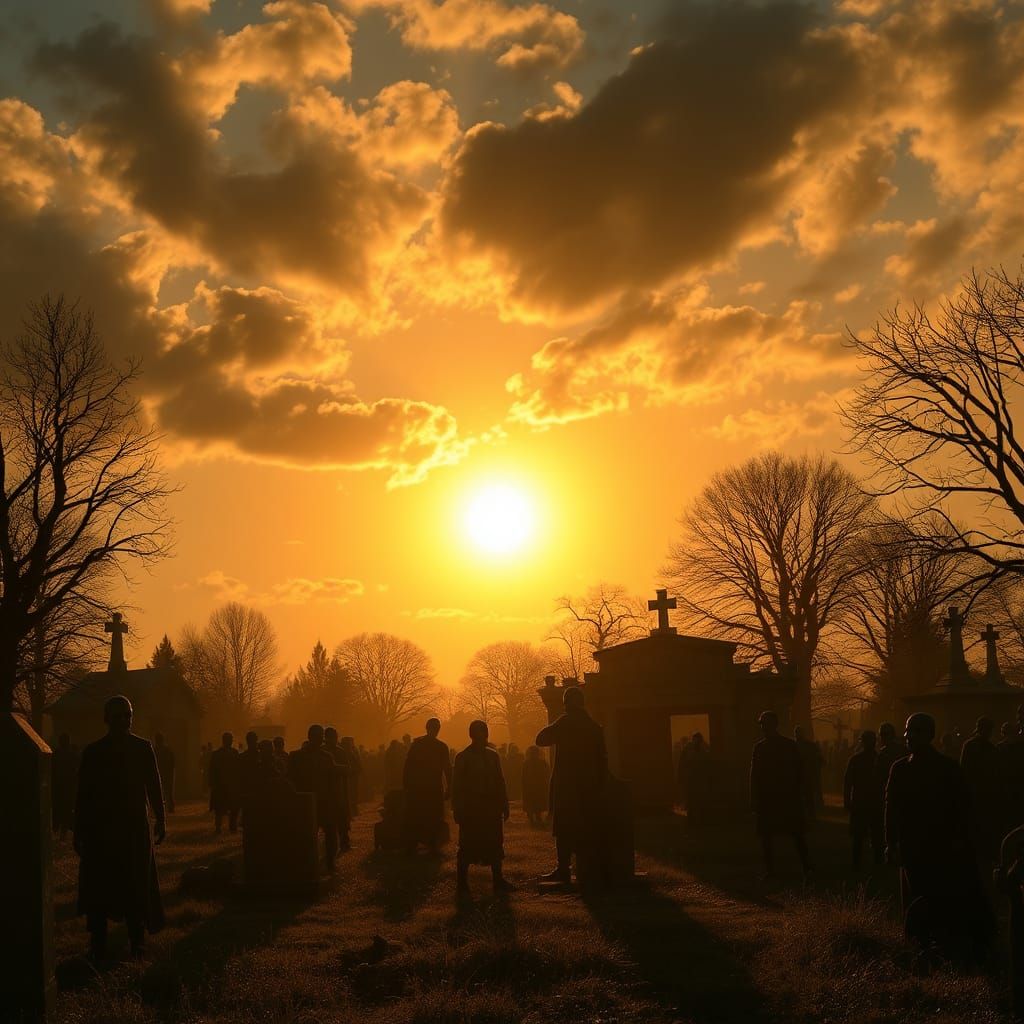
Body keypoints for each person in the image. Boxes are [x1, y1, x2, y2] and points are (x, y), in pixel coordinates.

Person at [885, 712, 994, 954]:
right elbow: (891, 808)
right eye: (907, 731)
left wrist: (959, 840)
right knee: (914, 895)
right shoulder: (900, 768)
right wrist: (890, 843)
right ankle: (916, 942)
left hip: (941, 845)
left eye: (915, 731)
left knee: (938, 894)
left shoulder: (947, 768)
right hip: (912, 844)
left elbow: (962, 807)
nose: (909, 736)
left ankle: (939, 941)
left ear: (929, 736)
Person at [73, 695, 165, 960]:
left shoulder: (142, 748)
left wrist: (161, 818)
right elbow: (84, 794)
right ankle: (98, 942)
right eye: (118, 716)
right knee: (100, 887)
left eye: (128, 715)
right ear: (107, 719)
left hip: (134, 828)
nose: (124, 720)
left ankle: (137, 940)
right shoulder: (94, 752)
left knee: (135, 884)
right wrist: (79, 830)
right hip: (101, 830)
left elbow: (154, 787)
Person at [535, 686, 608, 883]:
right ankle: (589, 867)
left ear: (566, 703)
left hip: (567, 785)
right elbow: (603, 759)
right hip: (589, 786)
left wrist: (559, 723)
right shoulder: (594, 727)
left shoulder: (565, 723)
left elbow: (540, 739)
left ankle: (563, 868)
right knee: (587, 825)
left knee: (564, 827)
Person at [452, 720, 512, 896]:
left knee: (494, 843)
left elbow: (500, 781)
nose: (480, 736)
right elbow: (457, 786)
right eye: (477, 732)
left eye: (482, 732)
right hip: (471, 809)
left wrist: (504, 804)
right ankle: (462, 882)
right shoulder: (462, 757)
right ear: (471, 734)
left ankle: (498, 879)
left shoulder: (493, 756)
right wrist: (457, 808)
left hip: (491, 808)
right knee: (467, 845)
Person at [750, 711, 811, 879]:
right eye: (762, 724)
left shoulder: (770, 747)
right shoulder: (779, 746)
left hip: (781, 797)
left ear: (773, 725)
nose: (763, 727)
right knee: (771, 836)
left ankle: (803, 867)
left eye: (765, 724)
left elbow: (799, 771)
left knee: (791, 834)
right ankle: (777, 870)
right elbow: (755, 775)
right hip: (776, 797)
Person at [289, 724, 340, 874]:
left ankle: (330, 862)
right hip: (305, 802)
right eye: (317, 736)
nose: (320, 739)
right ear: (310, 737)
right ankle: (306, 863)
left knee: (330, 833)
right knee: (306, 835)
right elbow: (291, 780)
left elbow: (333, 782)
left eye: (321, 736)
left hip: (324, 802)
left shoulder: (326, 757)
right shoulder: (297, 757)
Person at [402, 718, 452, 854]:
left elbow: (408, 767)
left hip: (418, 788)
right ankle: (432, 844)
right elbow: (447, 769)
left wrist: (406, 784)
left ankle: (413, 844)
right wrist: (449, 787)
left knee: (416, 815)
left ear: (426, 727)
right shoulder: (441, 746)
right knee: (433, 816)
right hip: (433, 788)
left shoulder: (417, 745)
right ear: (438, 729)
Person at [960, 716, 1005, 865]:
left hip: (974, 794)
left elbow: (963, 771)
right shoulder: (992, 749)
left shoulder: (969, 746)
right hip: (987, 795)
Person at [844, 730, 883, 868]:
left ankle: (857, 862)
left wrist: (847, 800)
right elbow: (848, 781)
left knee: (860, 835)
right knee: (874, 834)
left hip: (862, 801)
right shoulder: (878, 759)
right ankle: (877, 862)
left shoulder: (856, 759)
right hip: (873, 801)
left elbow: (848, 782)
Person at [324, 726, 352, 852]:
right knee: (331, 819)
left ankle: (344, 841)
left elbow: (347, 769)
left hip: (339, 789)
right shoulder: (324, 753)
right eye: (332, 737)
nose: (334, 739)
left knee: (342, 818)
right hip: (327, 791)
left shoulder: (340, 752)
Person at [208, 732, 241, 833]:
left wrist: (212, 783)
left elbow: (212, 770)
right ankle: (231, 826)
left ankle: (220, 827)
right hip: (227, 785)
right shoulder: (234, 753)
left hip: (221, 785)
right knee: (230, 807)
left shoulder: (217, 754)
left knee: (221, 808)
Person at [678, 732, 713, 826]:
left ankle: (696, 820)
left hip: (696, 780)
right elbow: (682, 764)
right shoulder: (693, 750)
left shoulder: (700, 750)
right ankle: (693, 820)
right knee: (693, 800)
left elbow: (682, 764)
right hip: (692, 780)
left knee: (696, 800)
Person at [51, 733, 79, 839]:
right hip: (69, 786)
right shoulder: (73, 755)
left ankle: (55, 828)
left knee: (57, 807)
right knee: (67, 808)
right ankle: (63, 831)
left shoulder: (56, 754)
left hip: (58, 786)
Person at [793, 726, 823, 821]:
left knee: (807, 797)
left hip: (804, 777)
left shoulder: (793, 746)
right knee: (804, 798)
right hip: (800, 777)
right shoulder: (794, 746)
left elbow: (820, 760)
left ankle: (807, 816)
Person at [522, 745, 550, 826]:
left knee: (532, 801)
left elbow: (524, 777)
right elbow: (546, 774)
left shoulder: (526, 763)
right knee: (537, 801)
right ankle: (536, 815)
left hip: (531, 786)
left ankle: (533, 815)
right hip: (537, 786)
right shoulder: (541, 762)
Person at [153, 733, 176, 814]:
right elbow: (173, 762)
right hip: (167, 773)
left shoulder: (154, 750)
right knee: (168, 791)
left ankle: (160, 807)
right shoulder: (167, 750)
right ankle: (170, 807)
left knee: (159, 790)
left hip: (158, 772)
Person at [341, 736, 362, 816]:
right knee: (350, 794)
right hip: (348, 776)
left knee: (353, 794)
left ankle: (353, 810)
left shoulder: (353, 750)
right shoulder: (344, 751)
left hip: (353, 775)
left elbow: (358, 763)